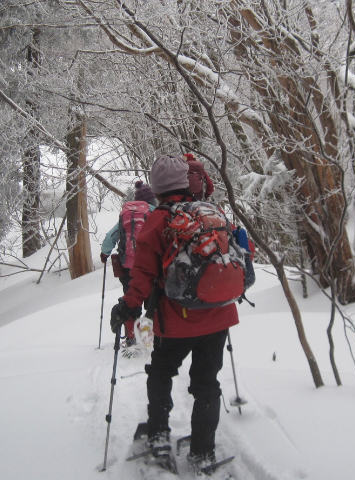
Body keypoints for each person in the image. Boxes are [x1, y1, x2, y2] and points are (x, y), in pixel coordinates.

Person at [110, 154, 238, 473]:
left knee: (161, 371)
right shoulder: (210, 211)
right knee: (207, 382)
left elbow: (142, 273)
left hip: (176, 319)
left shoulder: (158, 219)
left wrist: (127, 306)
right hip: (219, 315)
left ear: (157, 188)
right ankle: (203, 451)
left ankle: (158, 434)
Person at [100, 181, 157, 351]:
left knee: (131, 300)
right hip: (150, 269)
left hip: (128, 268)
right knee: (151, 303)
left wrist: (105, 253)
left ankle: (131, 339)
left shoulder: (126, 215)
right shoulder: (154, 213)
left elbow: (111, 236)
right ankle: (147, 340)